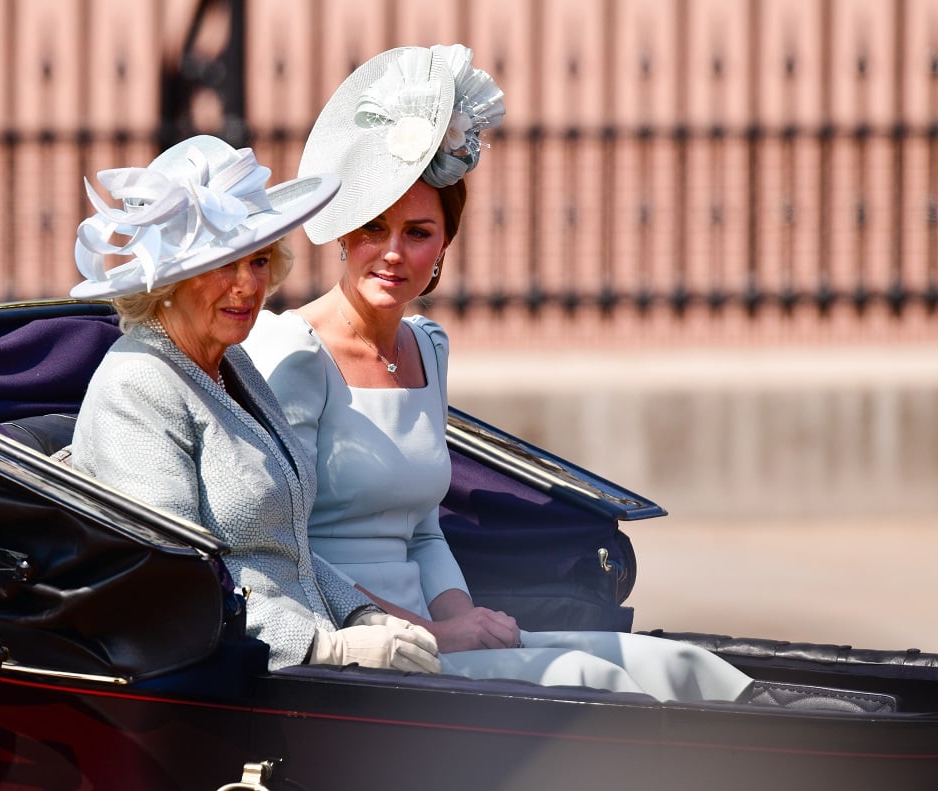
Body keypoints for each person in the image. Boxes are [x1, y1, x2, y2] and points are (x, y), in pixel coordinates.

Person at [243, 45, 753, 701]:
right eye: (374, 228)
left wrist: (458, 616)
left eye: (418, 231)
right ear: (344, 234)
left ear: (444, 246)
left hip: (434, 633)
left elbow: (425, 531)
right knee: (588, 684)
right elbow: (282, 551)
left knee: (672, 665)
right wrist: (429, 631)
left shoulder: (427, 348)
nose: (392, 252)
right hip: (351, 645)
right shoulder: (293, 352)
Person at [65, 134, 441, 675]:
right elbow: (175, 576)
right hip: (224, 683)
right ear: (168, 279)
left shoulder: (233, 365)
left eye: (259, 261)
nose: (247, 286)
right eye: (223, 263)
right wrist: (323, 648)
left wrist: (363, 615)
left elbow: (288, 550)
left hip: (296, 664)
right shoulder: (137, 384)